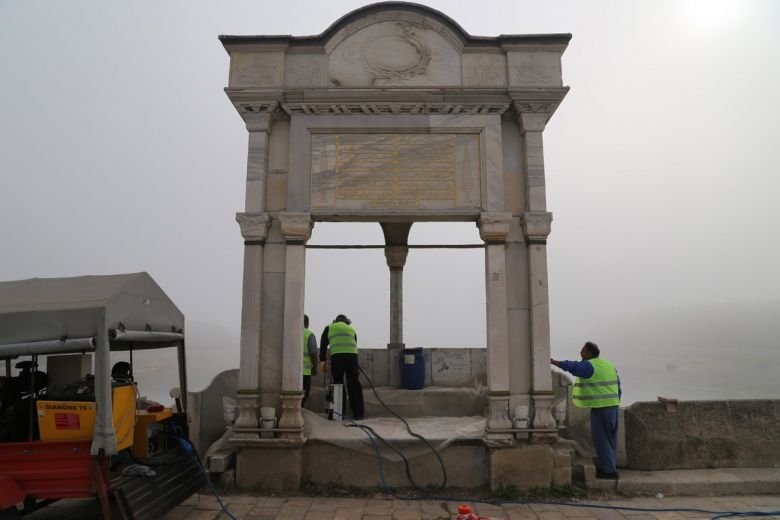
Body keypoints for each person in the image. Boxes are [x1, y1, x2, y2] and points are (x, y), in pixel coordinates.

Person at [551, 341, 621, 479]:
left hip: (601, 408)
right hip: (613, 406)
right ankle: (611, 467)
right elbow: (619, 387)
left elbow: (574, 367)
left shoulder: (589, 365)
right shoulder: (608, 364)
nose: (581, 353)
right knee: (611, 439)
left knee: (602, 439)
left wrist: (555, 362)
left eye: (583, 351)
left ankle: (609, 472)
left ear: (589, 353)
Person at [319, 314, 364, 419]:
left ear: (336, 321)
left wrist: (322, 361)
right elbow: (354, 344)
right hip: (352, 358)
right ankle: (358, 414)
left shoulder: (329, 327)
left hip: (337, 357)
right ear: (346, 321)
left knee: (338, 384)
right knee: (354, 384)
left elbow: (323, 345)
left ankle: (338, 413)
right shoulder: (351, 329)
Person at [302, 314, 318, 408]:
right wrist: (315, 367)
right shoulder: (309, 334)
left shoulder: (289, 332)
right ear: (307, 323)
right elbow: (313, 354)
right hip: (305, 373)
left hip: (290, 371)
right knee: (304, 394)